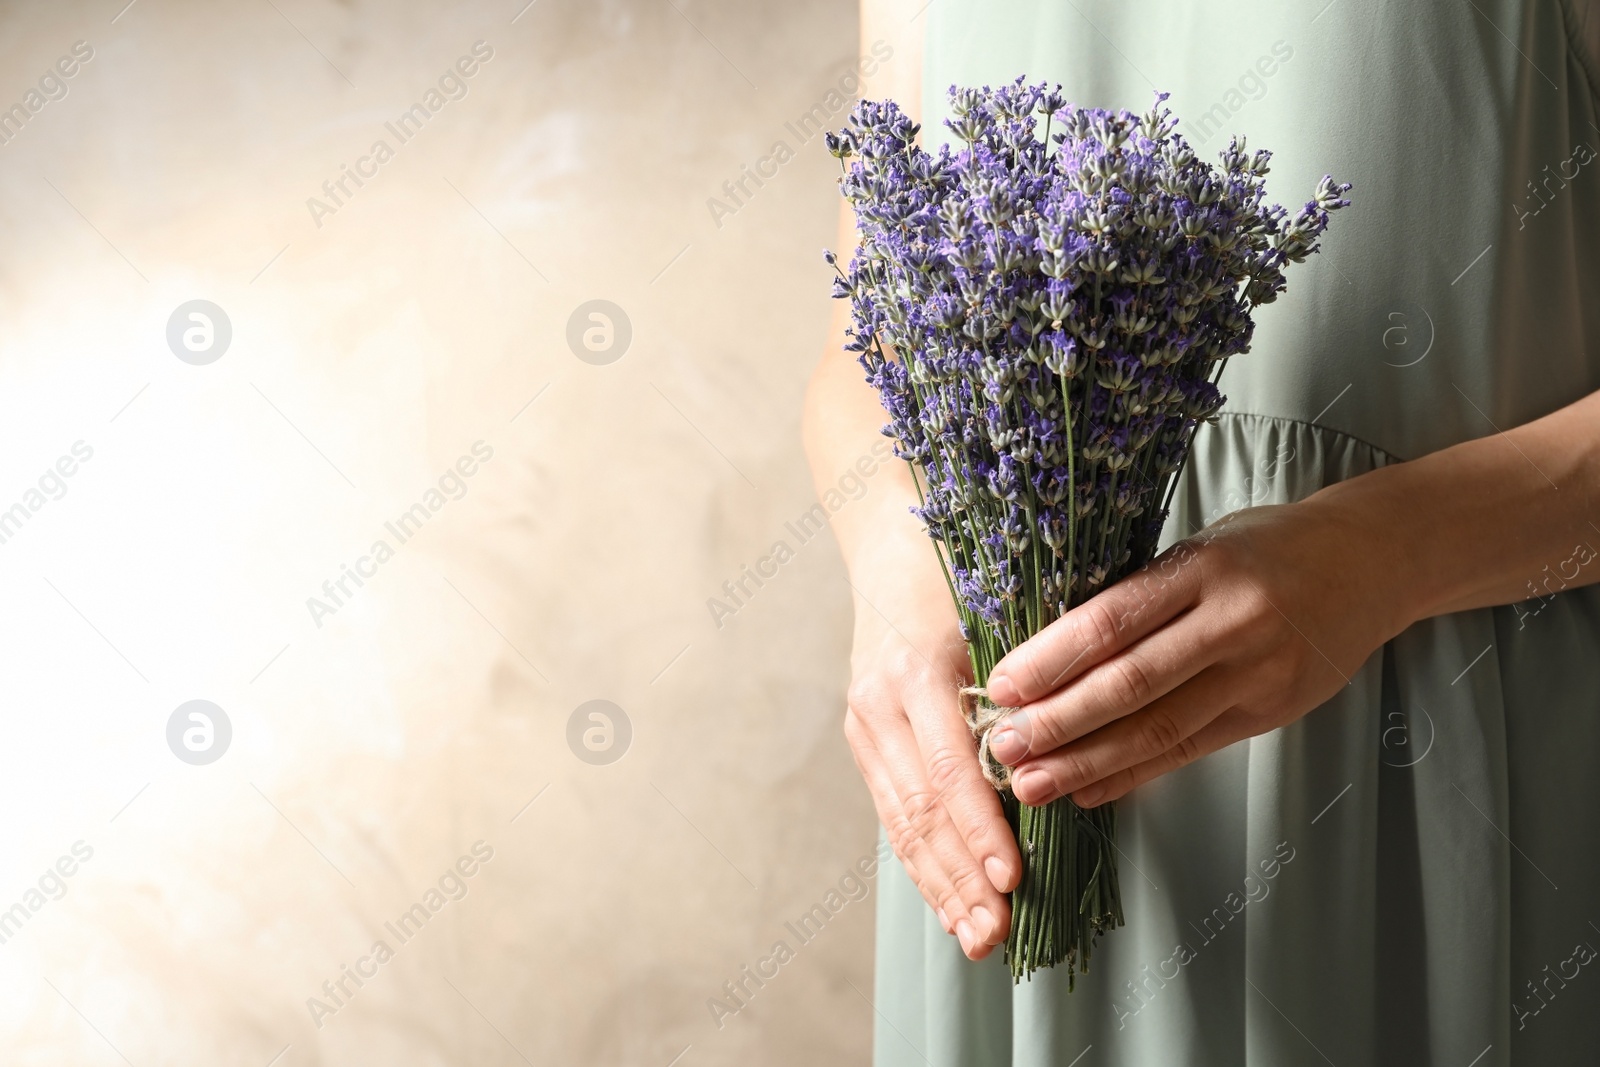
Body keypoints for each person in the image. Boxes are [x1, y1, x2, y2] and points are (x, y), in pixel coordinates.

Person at [802, 1, 1600, 1063]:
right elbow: (865, 346)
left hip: (1434, 792)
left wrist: (1391, 552)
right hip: (1016, 804)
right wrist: (895, 558)